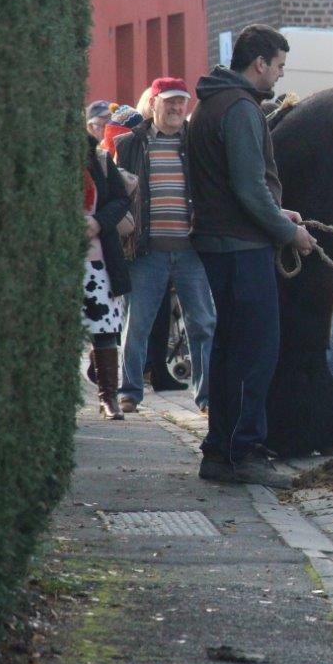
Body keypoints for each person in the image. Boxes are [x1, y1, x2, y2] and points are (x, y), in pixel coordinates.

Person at [187, 24, 316, 487]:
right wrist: (287, 231)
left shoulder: (210, 103)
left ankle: (220, 451)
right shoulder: (240, 109)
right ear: (259, 63)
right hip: (242, 248)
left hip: (222, 242)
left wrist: (278, 211)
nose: (280, 77)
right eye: (278, 66)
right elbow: (246, 188)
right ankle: (243, 452)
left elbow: (232, 186)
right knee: (254, 351)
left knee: (227, 352)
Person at [113, 77, 216, 416]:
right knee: (136, 324)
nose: (175, 108)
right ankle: (128, 392)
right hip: (147, 251)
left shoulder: (197, 143)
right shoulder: (130, 144)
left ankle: (206, 397)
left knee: (202, 323)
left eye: (181, 102)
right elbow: (115, 191)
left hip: (191, 250)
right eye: (169, 101)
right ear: (153, 104)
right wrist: (121, 216)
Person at [82, 134, 132, 420]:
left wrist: (98, 221)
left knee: (103, 329)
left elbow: (120, 198)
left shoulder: (98, 157)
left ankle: (108, 398)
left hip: (98, 260)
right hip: (59, 260)